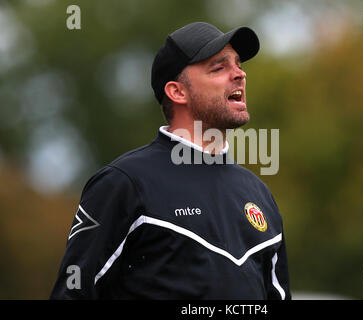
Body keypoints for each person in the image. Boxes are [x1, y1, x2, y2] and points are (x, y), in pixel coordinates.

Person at [50, 22, 290, 299]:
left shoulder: (259, 195)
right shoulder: (124, 183)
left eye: (238, 64)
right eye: (219, 67)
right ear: (177, 92)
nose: (239, 74)